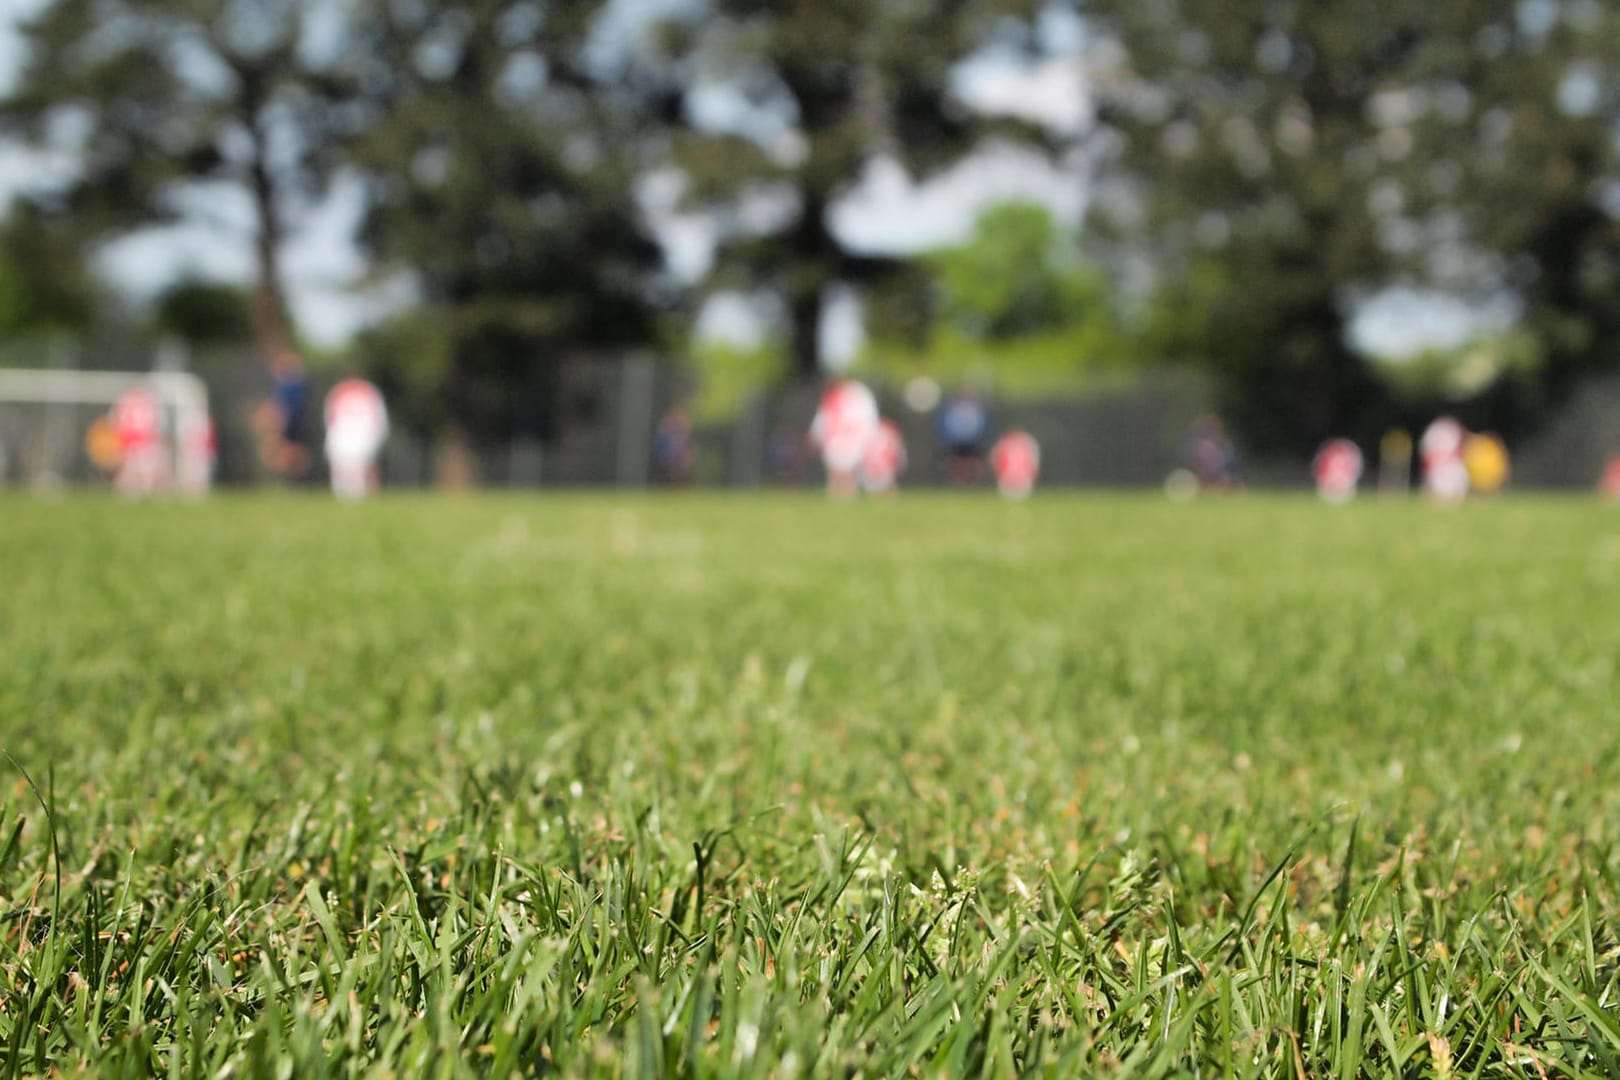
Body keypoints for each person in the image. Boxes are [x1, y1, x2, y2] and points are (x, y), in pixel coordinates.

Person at [809, 377, 879, 498]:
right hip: (839, 439)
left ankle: (845, 497)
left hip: (848, 439)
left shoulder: (856, 394)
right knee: (837, 473)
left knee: (846, 474)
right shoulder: (840, 396)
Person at [324, 377, 389, 500]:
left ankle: (352, 495)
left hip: (346, 436)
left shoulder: (338, 392)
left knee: (348, 468)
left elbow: (329, 419)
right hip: (358, 436)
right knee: (362, 467)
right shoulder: (369, 392)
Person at [253, 350, 312, 480]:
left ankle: (289, 478)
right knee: (287, 452)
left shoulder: (291, 386)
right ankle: (291, 478)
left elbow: (283, 408)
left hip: (289, 425)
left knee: (284, 452)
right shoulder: (292, 385)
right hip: (290, 424)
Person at [937, 387, 989, 486]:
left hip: (973, 439)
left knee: (973, 461)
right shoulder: (953, 409)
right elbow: (946, 424)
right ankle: (958, 481)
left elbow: (981, 424)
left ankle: (973, 481)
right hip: (956, 439)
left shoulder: (976, 409)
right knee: (956, 461)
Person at [1184, 415, 1238, 492]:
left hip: (1220, 475)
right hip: (1204, 475)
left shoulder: (1224, 445)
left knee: (1227, 481)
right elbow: (1195, 462)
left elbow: (1229, 464)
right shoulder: (1201, 445)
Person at [858, 418, 907, 495]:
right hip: (872, 473)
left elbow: (897, 456)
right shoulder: (870, 438)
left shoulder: (890, 439)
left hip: (884, 473)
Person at [991, 430, 1041, 499]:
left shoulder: (1004, 443)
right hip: (1014, 480)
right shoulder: (1027, 443)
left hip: (1015, 480)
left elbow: (995, 461)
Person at [653, 407, 695, 485]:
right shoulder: (667, 433)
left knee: (683, 466)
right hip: (670, 457)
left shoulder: (682, 435)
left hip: (677, 457)